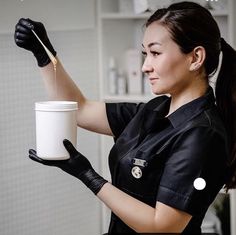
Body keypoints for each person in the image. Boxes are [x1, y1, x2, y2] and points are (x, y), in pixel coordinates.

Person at [14, 1, 236, 234]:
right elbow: (79, 109)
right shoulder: (154, 109)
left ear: (195, 58)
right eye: (145, 53)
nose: (145, 66)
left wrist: (88, 176)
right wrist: (44, 54)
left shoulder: (202, 134)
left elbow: (163, 227)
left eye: (155, 53)